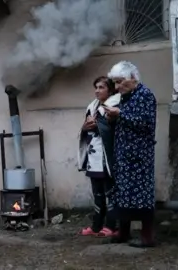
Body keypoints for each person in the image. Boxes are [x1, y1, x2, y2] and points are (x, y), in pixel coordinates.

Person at [104, 61, 157, 248]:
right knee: (123, 195)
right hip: (123, 154)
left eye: (120, 82)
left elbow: (145, 123)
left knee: (142, 196)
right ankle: (123, 232)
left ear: (133, 78)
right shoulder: (124, 97)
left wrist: (120, 115)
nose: (117, 87)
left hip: (139, 155)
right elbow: (122, 122)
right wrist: (112, 119)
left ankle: (147, 237)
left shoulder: (145, 95)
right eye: (115, 83)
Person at [78, 76, 120, 237]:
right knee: (97, 194)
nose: (97, 90)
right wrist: (85, 127)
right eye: (96, 87)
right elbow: (86, 130)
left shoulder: (115, 106)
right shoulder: (92, 107)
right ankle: (96, 226)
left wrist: (100, 125)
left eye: (101, 87)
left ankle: (111, 226)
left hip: (107, 159)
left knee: (110, 193)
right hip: (93, 158)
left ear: (110, 90)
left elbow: (114, 130)